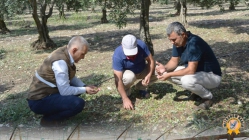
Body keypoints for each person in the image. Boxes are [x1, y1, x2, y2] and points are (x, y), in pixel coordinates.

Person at [27, 36, 100, 127]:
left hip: (48, 94)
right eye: (82, 54)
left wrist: (84, 86)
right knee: (78, 103)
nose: (83, 57)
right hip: (39, 101)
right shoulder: (60, 62)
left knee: (76, 91)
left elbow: (69, 77)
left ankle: (56, 111)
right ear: (74, 50)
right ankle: (48, 120)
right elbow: (65, 91)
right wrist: (85, 89)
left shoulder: (65, 52)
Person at [156, 22, 222, 110]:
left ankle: (208, 98)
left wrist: (169, 74)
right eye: (170, 40)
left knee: (186, 80)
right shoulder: (178, 42)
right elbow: (173, 61)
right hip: (198, 73)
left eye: (174, 39)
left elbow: (191, 70)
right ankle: (197, 91)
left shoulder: (194, 43)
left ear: (183, 34)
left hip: (212, 76)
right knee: (166, 73)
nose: (172, 42)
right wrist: (165, 68)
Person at [112, 34, 157, 110]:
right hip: (129, 73)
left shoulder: (142, 45)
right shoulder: (117, 55)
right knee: (129, 77)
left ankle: (141, 88)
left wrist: (148, 75)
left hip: (142, 69)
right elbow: (118, 79)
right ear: (122, 45)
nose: (131, 56)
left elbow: (151, 60)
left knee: (158, 71)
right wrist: (124, 98)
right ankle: (126, 94)